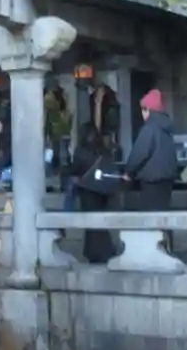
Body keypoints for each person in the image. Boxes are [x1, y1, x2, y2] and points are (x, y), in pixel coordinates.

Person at [122, 89, 179, 250]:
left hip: (152, 181)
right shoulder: (166, 128)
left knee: (151, 219)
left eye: (143, 109)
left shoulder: (150, 128)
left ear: (148, 110)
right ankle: (167, 249)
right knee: (164, 217)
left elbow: (139, 153)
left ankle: (154, 251)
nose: (142, 114)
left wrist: (128, 172)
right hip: (166, 180)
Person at [70, 123, 119, 264]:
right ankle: (104, 250)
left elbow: (75, 169)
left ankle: (94, 251)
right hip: (102, 190)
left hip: (87, 190)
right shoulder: (103, 150)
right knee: (100, 222)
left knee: (91, 224)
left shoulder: (80, 151)